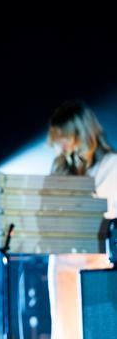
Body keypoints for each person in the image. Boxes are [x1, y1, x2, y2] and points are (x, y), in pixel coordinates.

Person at [46, 100, 116, 339]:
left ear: (81, 133)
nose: (61, 144)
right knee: (66, 330)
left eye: (65, 136)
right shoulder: (60, 169)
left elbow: (107, 211)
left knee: (96, 328)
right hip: (63, 263)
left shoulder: (110, 165)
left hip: (94, 263)